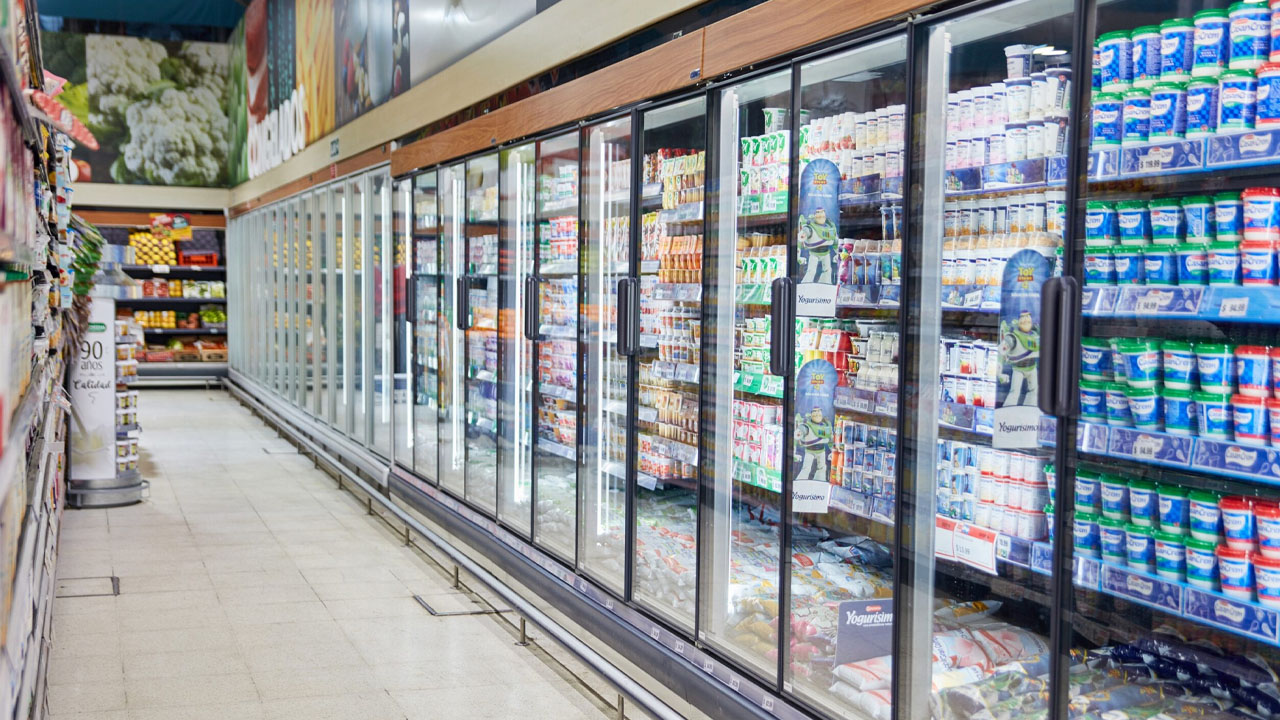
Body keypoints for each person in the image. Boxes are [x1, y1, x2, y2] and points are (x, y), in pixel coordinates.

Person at [1000, 310, 1040, 407]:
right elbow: (1001, 351)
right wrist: (999, 372)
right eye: (1023, 317)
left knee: (1034, 392)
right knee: (1014, 393)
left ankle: (1030, 408)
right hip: (1018, 369)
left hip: (1032, 368)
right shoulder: (1013, 337)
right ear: (1018, 321)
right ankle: (1008, 410)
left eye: (1028, 317)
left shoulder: (1036, 335)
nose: (1026, 319)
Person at [799, 206, 837, 284]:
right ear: (814, 215)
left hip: (826, 253)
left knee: (827, 270)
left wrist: (838, 254)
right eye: (818, 213)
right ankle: (806, 284)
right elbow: (802, 236)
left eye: (822, 212)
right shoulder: (810, 227)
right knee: (811, 271)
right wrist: (803, 234)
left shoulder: (830, 227)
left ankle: (825, 283)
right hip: (814, 253)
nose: (821, 215)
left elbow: (835, 241)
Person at [794, 406, 832, 482]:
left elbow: (830, 438)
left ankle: (820, 481)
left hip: (821, 451)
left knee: (822, 468)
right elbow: (799, 433)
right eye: (815, 411)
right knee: (806, 468)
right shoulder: (807, 425)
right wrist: (799, 432)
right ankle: (801, 482)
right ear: (811, 414)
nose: (817, 413)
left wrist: (832, 451)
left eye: (819, 411)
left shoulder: (826, 425)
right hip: (810, 451)